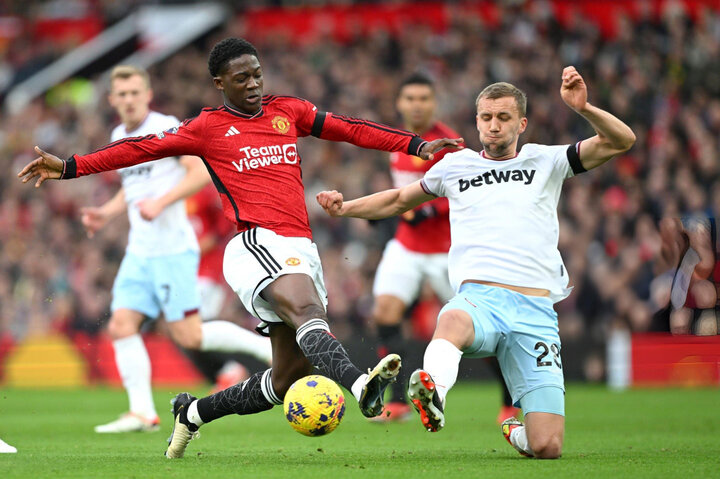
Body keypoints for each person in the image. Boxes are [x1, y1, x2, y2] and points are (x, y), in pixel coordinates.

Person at [18, 38, 462, 458]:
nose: (253, 85)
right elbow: (138, 149)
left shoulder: (288, 111)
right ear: (219, 84)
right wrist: (71, 166)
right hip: (255, 243)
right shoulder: (207, 128)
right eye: (241, 78)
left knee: (287, 380)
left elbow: (350, 129)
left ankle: (191, 413)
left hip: (299, 247)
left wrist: (416, 145)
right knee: (310, 312)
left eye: (257, 75)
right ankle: (360, 381)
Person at [316, 66, 635, 459]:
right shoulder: (455, 165)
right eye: (486, 118)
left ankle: (514, 429)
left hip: (535, 311)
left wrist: (584, 107)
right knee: (450, 319)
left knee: (547, 446)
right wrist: (345, 208)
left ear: (522, 123)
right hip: (480, 300)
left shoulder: (547, 160)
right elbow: (399, 200)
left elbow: (622, 140)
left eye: (503, 118)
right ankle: (434, 395)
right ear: (477, 121)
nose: (494, 126)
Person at [80, 65, 272, 433]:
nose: (129, 99)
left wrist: (163, 201)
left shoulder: (165, 126)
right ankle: (142, 413)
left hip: (172, 250)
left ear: (148, 94)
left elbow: (200, 170)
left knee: (189, 335)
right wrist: (105, 213)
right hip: (140, 252)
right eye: (122, 94)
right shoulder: (119, 133)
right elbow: (132, 186)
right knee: (122, 325)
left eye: (135, 92)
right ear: (112, 100)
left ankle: (264, 349)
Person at [370, 73, 518, 423]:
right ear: (400, 104)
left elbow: (472, 189)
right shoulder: (397, 143)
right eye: (410, 98)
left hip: (446, 251)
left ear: (434, 102)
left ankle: (511, 399)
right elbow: (401, 193)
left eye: (424, 98)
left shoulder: (450, 144)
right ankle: (398, 402)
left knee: (477, 327)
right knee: (384, 312)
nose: (416, 104)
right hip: (406, 246)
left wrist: (429, 209)